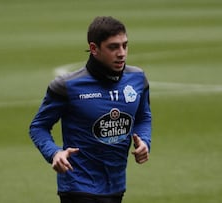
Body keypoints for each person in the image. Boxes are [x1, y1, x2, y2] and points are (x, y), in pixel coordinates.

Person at [29, 16, 152, 203]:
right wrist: (54, 153)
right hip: (78, 186)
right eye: (113, 47)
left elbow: (143, 117)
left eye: (124, 45)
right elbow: (38, 126)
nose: (121, 53)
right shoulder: (68, 86)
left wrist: (144, 142)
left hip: (116, 185)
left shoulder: (137, 79)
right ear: (94, 49)